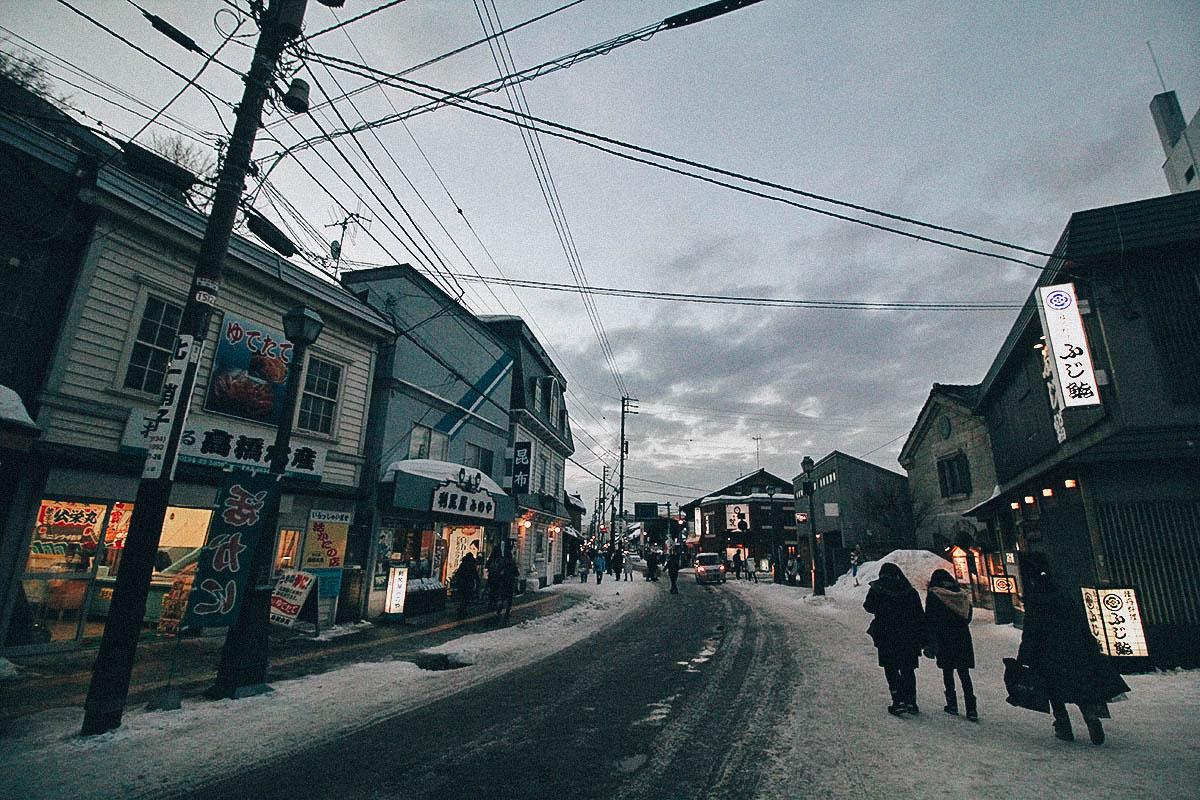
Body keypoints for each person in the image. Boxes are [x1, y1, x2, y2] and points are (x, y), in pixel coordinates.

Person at [1016, 562, 1130, 745]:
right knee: (1080, 688)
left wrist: (1023, 658)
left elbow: (1030, 633)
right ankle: (1091, 716)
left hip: (1048, 654)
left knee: (1053, 691)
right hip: (1075, 650)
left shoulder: (1036, 603)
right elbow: (1082, 625)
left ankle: (1063, 726)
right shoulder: (1065, 598)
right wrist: (1091, 646)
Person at [863, 562, 925, 715]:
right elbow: (919, 614)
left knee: (890, 667)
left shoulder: (878, 589)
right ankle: (911, 701)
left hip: (886, 634)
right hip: (908, 635)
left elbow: (868, 606)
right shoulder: (909, 591)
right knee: (907, 668)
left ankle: (898, 699)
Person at [925, 568, 977, 720]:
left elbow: (929, 618)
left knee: (947, 672)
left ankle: (952, 704)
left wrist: (929, 639)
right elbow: (968, 617)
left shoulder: (935, 595)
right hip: (962, 637)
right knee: (964, 673)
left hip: (944, 637)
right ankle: (971, 708)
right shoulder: (961, 595)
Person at [451, 550, 478, 617]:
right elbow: (475, 574)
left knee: (462, 596)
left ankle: (461, 609)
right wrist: (477, 581)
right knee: (467, 597)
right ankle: (463, 609)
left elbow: (458, 573)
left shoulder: (463, 564)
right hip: (469, 583)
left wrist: (455, 578)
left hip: (462, 582)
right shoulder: (472, 565)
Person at [495, 551, 519, 622]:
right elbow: (517, 573)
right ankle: (507, 612)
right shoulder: (513, 564)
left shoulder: (502, 563)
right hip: (510, 583)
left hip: (503, 583)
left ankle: (499, 610)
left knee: (502, 597)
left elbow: (498, 572)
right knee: (509, 599)